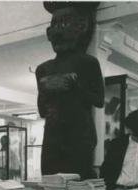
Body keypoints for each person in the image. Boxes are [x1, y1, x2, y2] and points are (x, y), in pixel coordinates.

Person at [36, 2, 104, 180]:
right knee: (51, 184)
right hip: (52, 136)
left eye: (65, 24)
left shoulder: (88, 63)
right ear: (49, 33)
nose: (58, 32)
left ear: (81, 27)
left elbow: (99, 100)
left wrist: (75, 87)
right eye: (54, 25)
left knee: (77, 186)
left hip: (79, 135)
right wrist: (45, 91)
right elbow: (43, 110)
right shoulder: (43, 69)